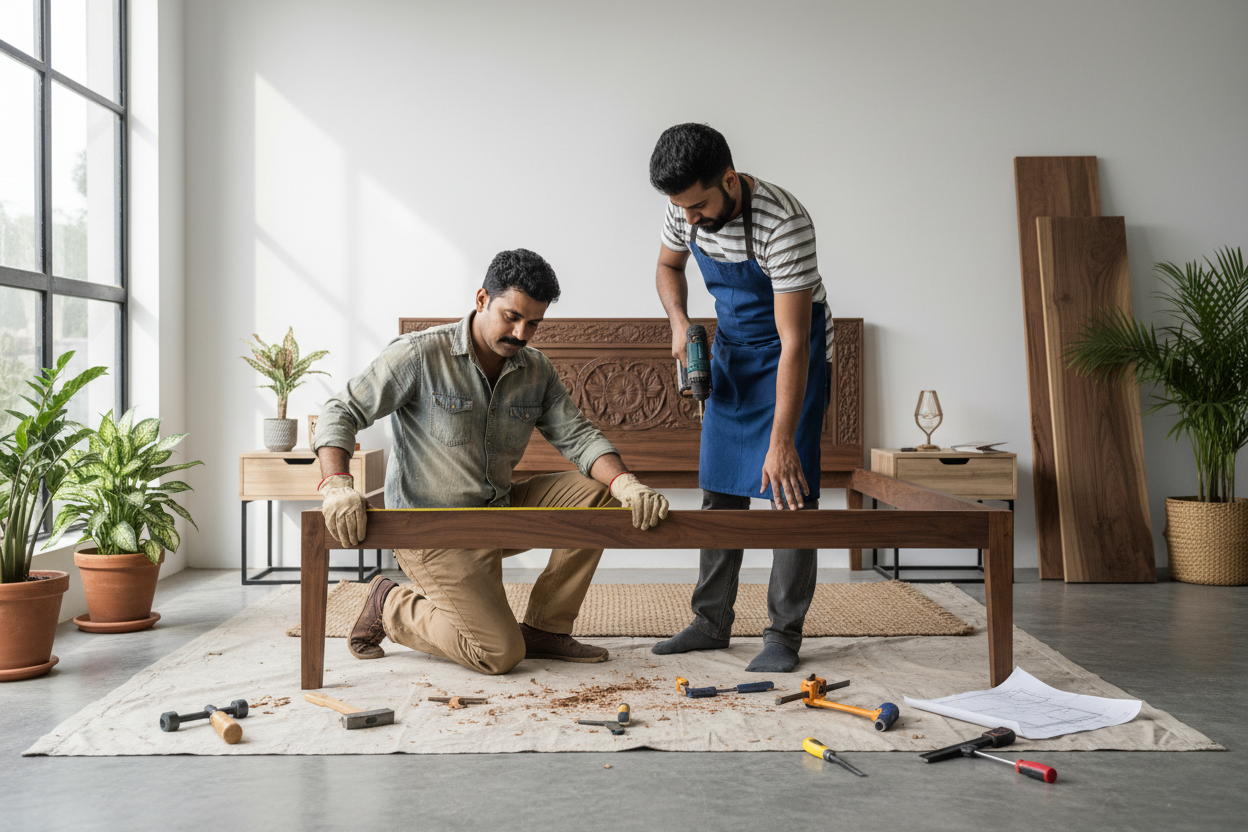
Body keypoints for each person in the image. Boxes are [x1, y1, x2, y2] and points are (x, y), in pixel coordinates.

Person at [313, 249, 669, 675]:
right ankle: (390, 604)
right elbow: (341, 410)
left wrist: (626, 482)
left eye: (533, 323)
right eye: (511, 316)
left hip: (499, 510)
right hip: (433, 531)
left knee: (601, 493)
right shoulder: (419, 355)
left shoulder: (536, 369)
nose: (521, 333)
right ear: (482, 299)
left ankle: (546, 628)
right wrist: (336, 484)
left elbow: (578, 435)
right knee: (498, 653)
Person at [648, 123, 832, 673]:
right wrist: (679, 321)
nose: (690, 220)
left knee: (789, 492)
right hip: (732, 351)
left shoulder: (784, 223)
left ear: (729, 180)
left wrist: (782, 441)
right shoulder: (685, 207)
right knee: (720, 488)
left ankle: (783, 635)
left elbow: (794, 342)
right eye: (682, 209)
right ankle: (710, 623)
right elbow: (668, 266)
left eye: (699, 206)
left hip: (791, 354)